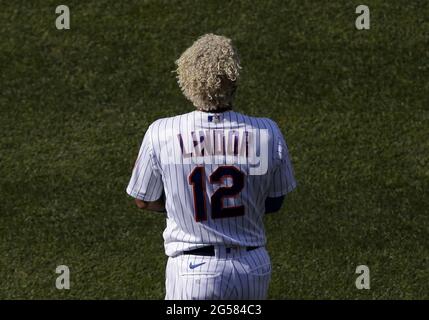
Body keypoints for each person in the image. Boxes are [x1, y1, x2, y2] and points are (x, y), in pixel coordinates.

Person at [126, 34, 296, 299]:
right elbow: (275, 202)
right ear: (234, 78)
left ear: (186, 79)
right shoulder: (267, 131)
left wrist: (184, 208)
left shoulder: (161, 132)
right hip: (251, 267)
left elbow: (143, 200)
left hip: (192, 271)